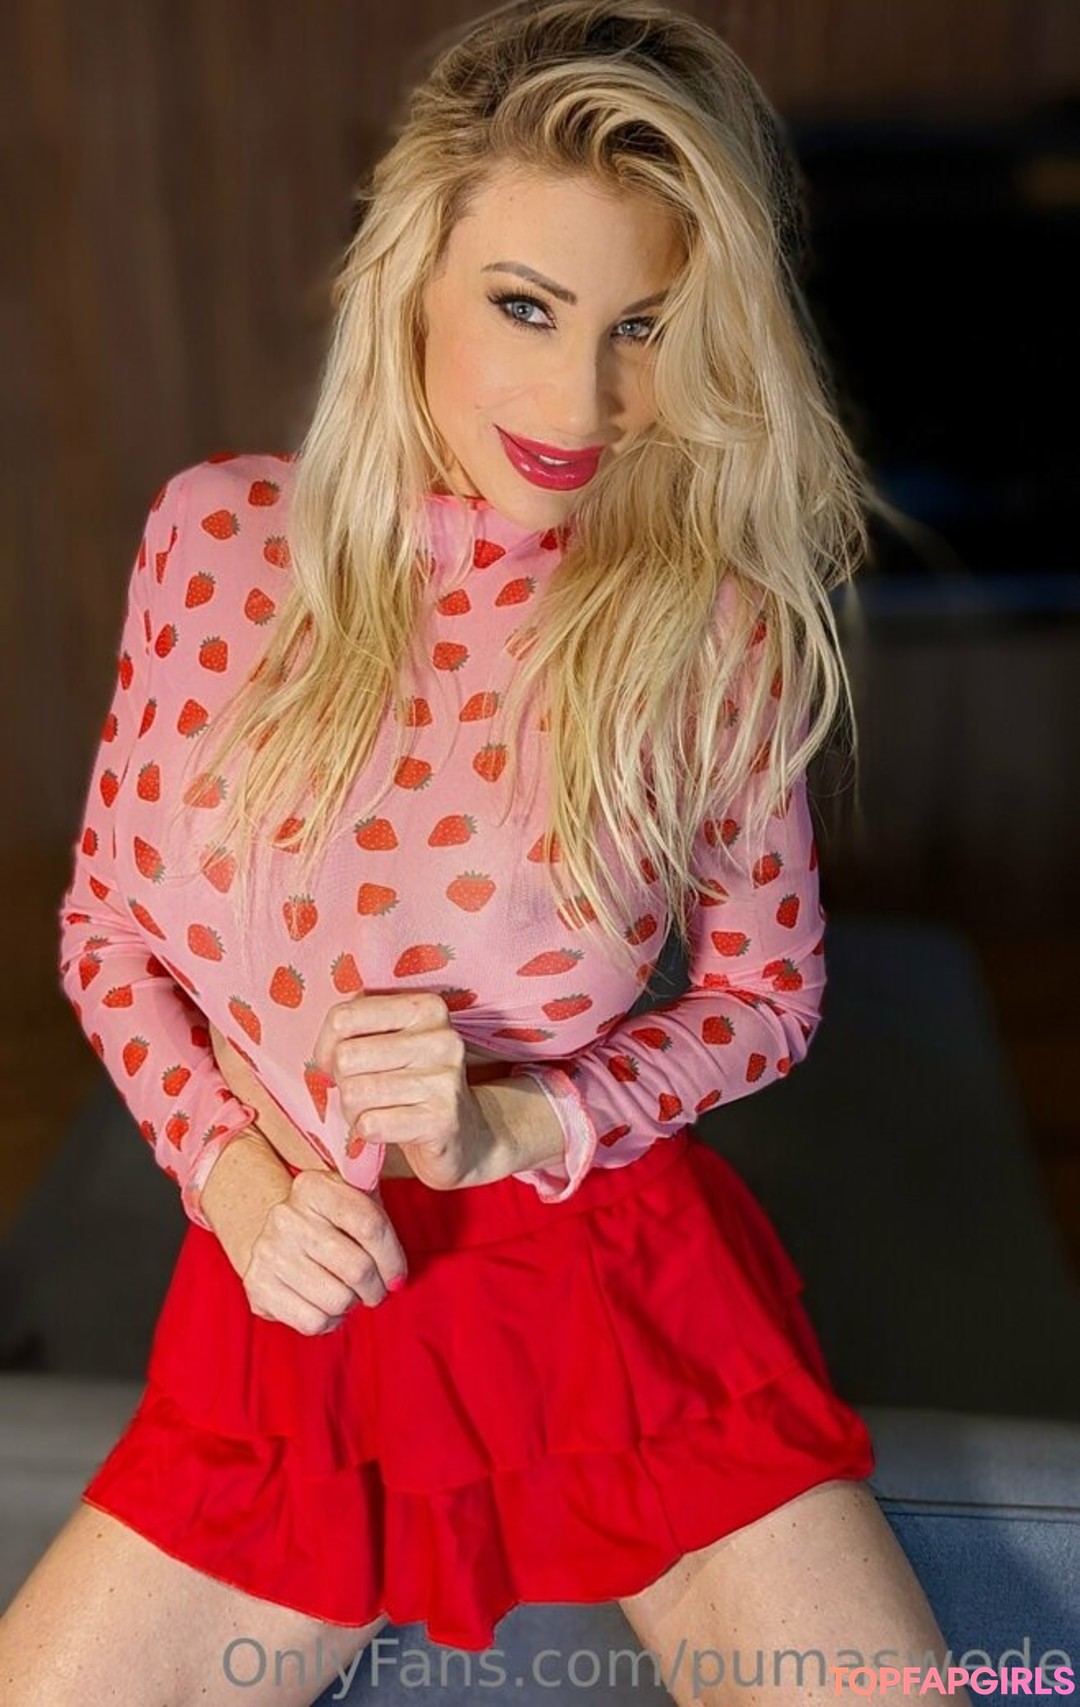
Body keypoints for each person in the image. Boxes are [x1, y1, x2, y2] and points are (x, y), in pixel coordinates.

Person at [0, 3, 973, 1704]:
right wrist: (232, 1181)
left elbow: (767, 997)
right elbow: (104, 929)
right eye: (526, 305)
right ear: (414, 283)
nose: (581, 401)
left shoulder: (711, 630)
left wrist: (526, 1118)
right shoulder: (215, 541)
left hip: (602, 1291)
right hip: (298, 1296)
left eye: (643, 328)